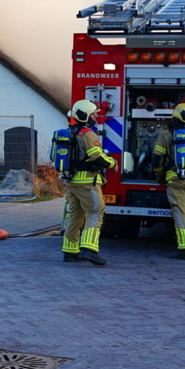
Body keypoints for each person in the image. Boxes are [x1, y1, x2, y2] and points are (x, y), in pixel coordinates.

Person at [61, 99, 116, 266]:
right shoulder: (87, 134)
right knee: (96, 211)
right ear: (85, 115)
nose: (95, 117)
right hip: (86, 181)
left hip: (71, 181)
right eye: (93, 114)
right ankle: (89, 249)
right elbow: (96, 156)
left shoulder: (70, 132)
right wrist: (112, 163)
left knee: (76, 216)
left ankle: (70, 251)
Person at [152, 103, 185, 260]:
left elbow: (157, 158)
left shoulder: (165, 136)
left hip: (175, 179)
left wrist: (160, 175)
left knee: (180, 211)